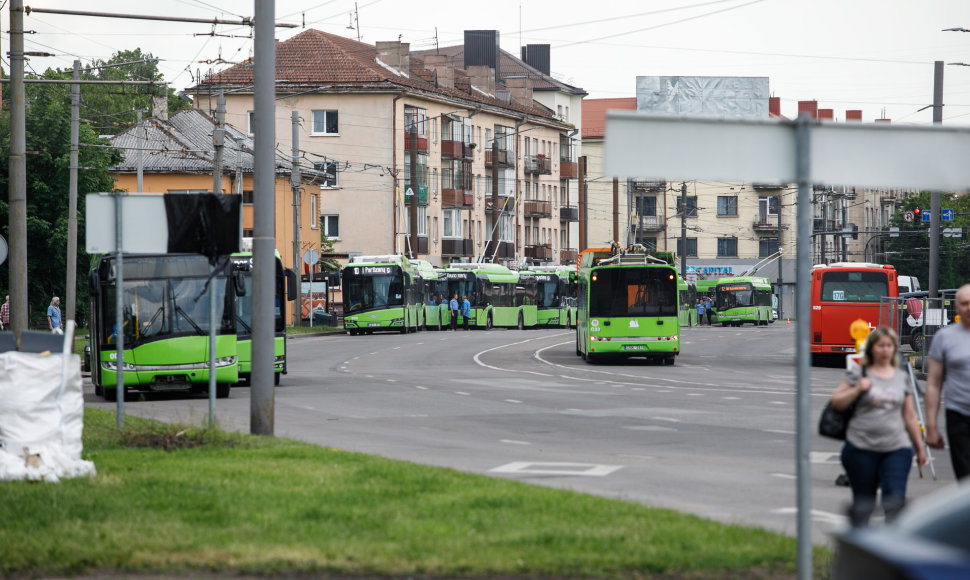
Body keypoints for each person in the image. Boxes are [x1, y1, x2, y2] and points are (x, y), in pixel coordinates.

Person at [830, 326, 927, 526]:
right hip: (861, 448)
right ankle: (862, 549)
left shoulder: (901, 377)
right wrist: (857, 389)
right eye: (880, 346)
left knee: (895, 503)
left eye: (889, 346)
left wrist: (919, 446)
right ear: (872, 348)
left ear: (894, 349)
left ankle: (892, 550)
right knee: (863, 504)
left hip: (896, 448)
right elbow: (837, 401)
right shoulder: (860, 373)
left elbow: (909, 415)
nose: (885, 350)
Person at [925, 283, 970, 480]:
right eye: (965, 303)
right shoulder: (944, 338)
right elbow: (934, 383)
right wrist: (932, 426)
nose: (969, 307)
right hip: (958, 416)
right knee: (965, 479)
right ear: (957, 308)